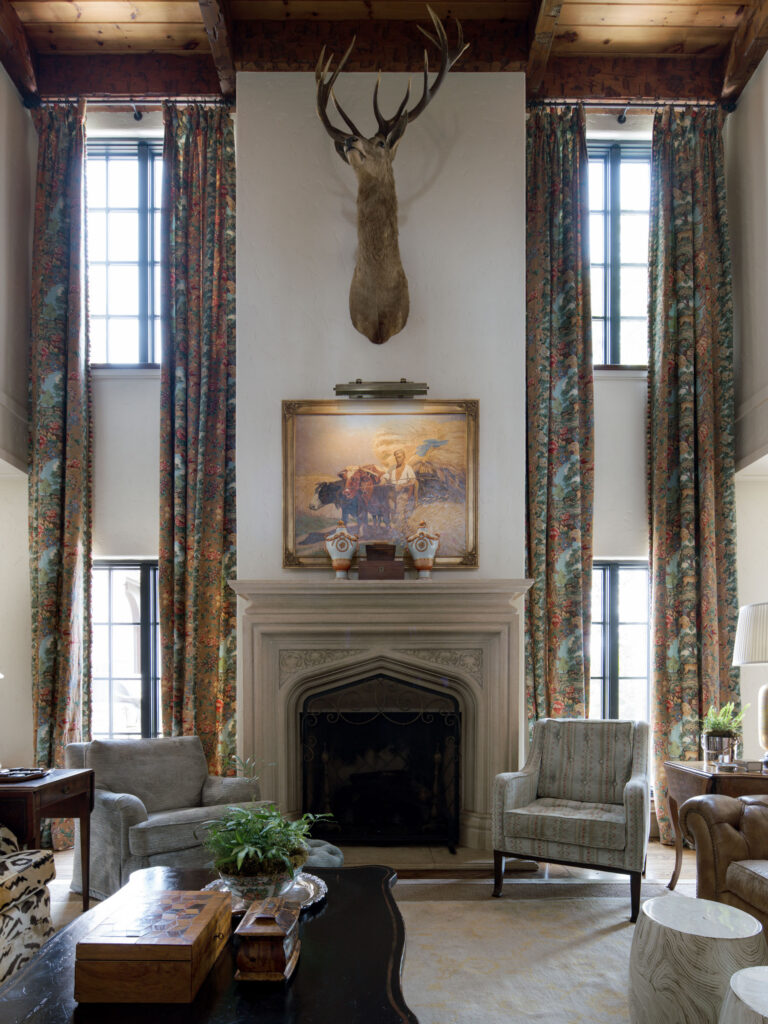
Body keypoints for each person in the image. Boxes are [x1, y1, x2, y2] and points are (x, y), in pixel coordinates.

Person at [384, 449, 418, 537]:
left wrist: (403, 485)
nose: (397, 459)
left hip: (403, 493)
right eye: (396, 457)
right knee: (392, 511)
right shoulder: (392, 468)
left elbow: (413, 480)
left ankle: (400, 532)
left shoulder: (408, 468)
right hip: (392, 493)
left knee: (399, 512)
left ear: (404, 457)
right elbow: (385, 477)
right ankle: (396, 530)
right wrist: (382, 481)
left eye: (399, 457)